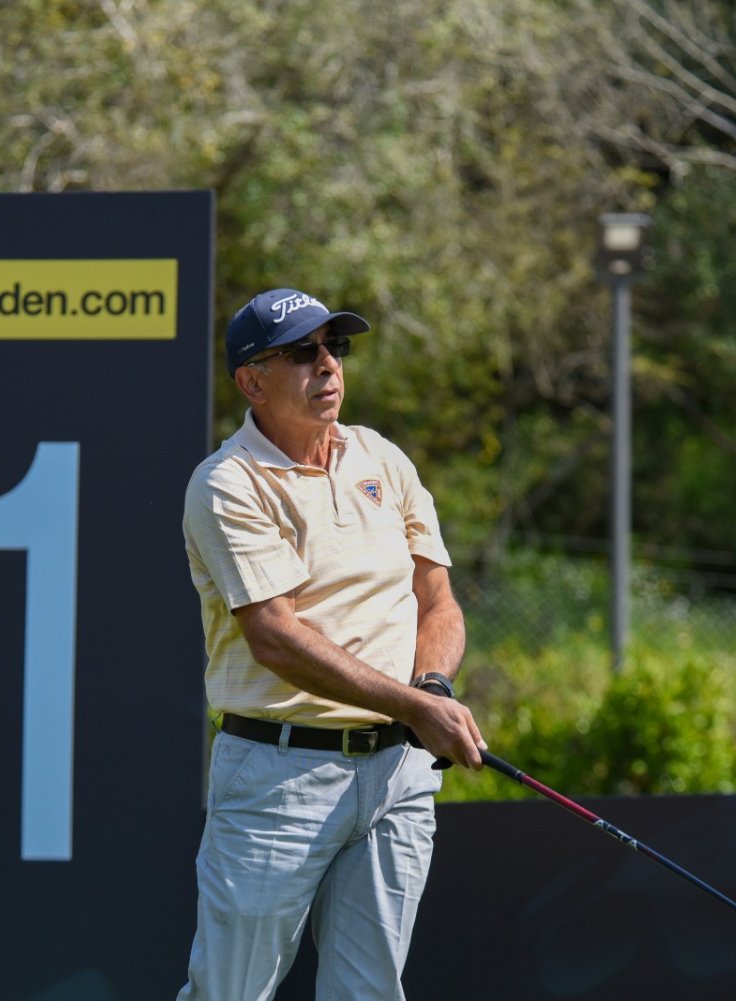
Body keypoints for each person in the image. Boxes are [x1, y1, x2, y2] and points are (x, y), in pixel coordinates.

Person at [177, 287, 486, 1000]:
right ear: (252, 382)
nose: (328, 365)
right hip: (279, 775)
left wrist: (433, 688)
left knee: (369, 992)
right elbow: (276, 638)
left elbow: (436, 599)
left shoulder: (381, 457)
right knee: (229, 992)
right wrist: (416, 707)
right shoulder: (227, 483)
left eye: (334, 347)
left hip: (397, 775)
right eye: (301, 353)